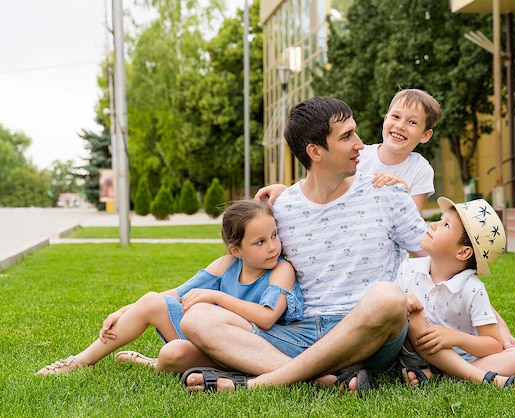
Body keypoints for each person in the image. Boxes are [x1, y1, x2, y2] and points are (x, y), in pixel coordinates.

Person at [179, 96, 428, 394]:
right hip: (302, 333)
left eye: (355, 132)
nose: (360, 144)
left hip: (368, 335)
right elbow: (244, 258)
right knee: (196, 319)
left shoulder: (387, 192)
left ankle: (257, 383)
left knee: (388, 298)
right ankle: (323, 380)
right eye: (347, 136)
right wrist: (153, 302)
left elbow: (437, 259)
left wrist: (485, 320)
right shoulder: (282, 208)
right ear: (315, 152)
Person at [36, 199, 302, 376]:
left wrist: (216, 295)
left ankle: (149, 363)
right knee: (153, 304)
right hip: (209, 342)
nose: (272, 246)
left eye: (274, 236)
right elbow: (176, 294)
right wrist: (125, 310)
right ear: (236, 249)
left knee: (170, 355)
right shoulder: (226, 265)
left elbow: (268, 318)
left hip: (252, 348)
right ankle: (81, 361)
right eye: (260, 242)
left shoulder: (282, 269)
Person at [397, 197, 515, 388]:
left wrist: (454, 337)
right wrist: (403, 302)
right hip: (418, 351)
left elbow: (493, 344)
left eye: (446, 225)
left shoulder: (472, 289)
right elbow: (393, 306)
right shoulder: (408, 268)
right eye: (440, 219)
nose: (433, 225)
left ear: (463, 253)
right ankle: (484, 379)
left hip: (463, 356)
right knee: (415, 315)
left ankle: (441, 374)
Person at [359, 88, 442, 213]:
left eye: (412, 122)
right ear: (385, 120)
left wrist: (402, 189)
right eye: (396, 116)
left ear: (425, 135)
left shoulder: (420, 169)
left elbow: (412, 225)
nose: (400, 126)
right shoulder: (359, 156)